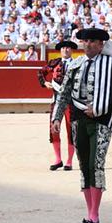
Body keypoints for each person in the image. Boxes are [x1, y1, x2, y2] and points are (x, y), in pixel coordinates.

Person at [49, 26, 112, 223]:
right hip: (78, 119)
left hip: (101, 121)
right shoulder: (76, 64)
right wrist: (57, 117)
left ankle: (94, 214)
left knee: (96, 164)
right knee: (84, 164)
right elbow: (64, 92)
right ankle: (89, 212)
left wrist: (100, 108)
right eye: (85, 41)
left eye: (93, 41)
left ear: (101, 45)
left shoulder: (111, 65)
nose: (88, 44)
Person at [39, 39, 80, 170]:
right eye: (63, 48)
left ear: (71, 50)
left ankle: (69, 161)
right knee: (54, 129)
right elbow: (41, 72)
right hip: (56, 100)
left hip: (72, 102)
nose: (65, 50)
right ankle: (58, 159)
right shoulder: (54, 63)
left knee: (71, 131)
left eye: (68, 48)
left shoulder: (77, 64)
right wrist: (44, 83)